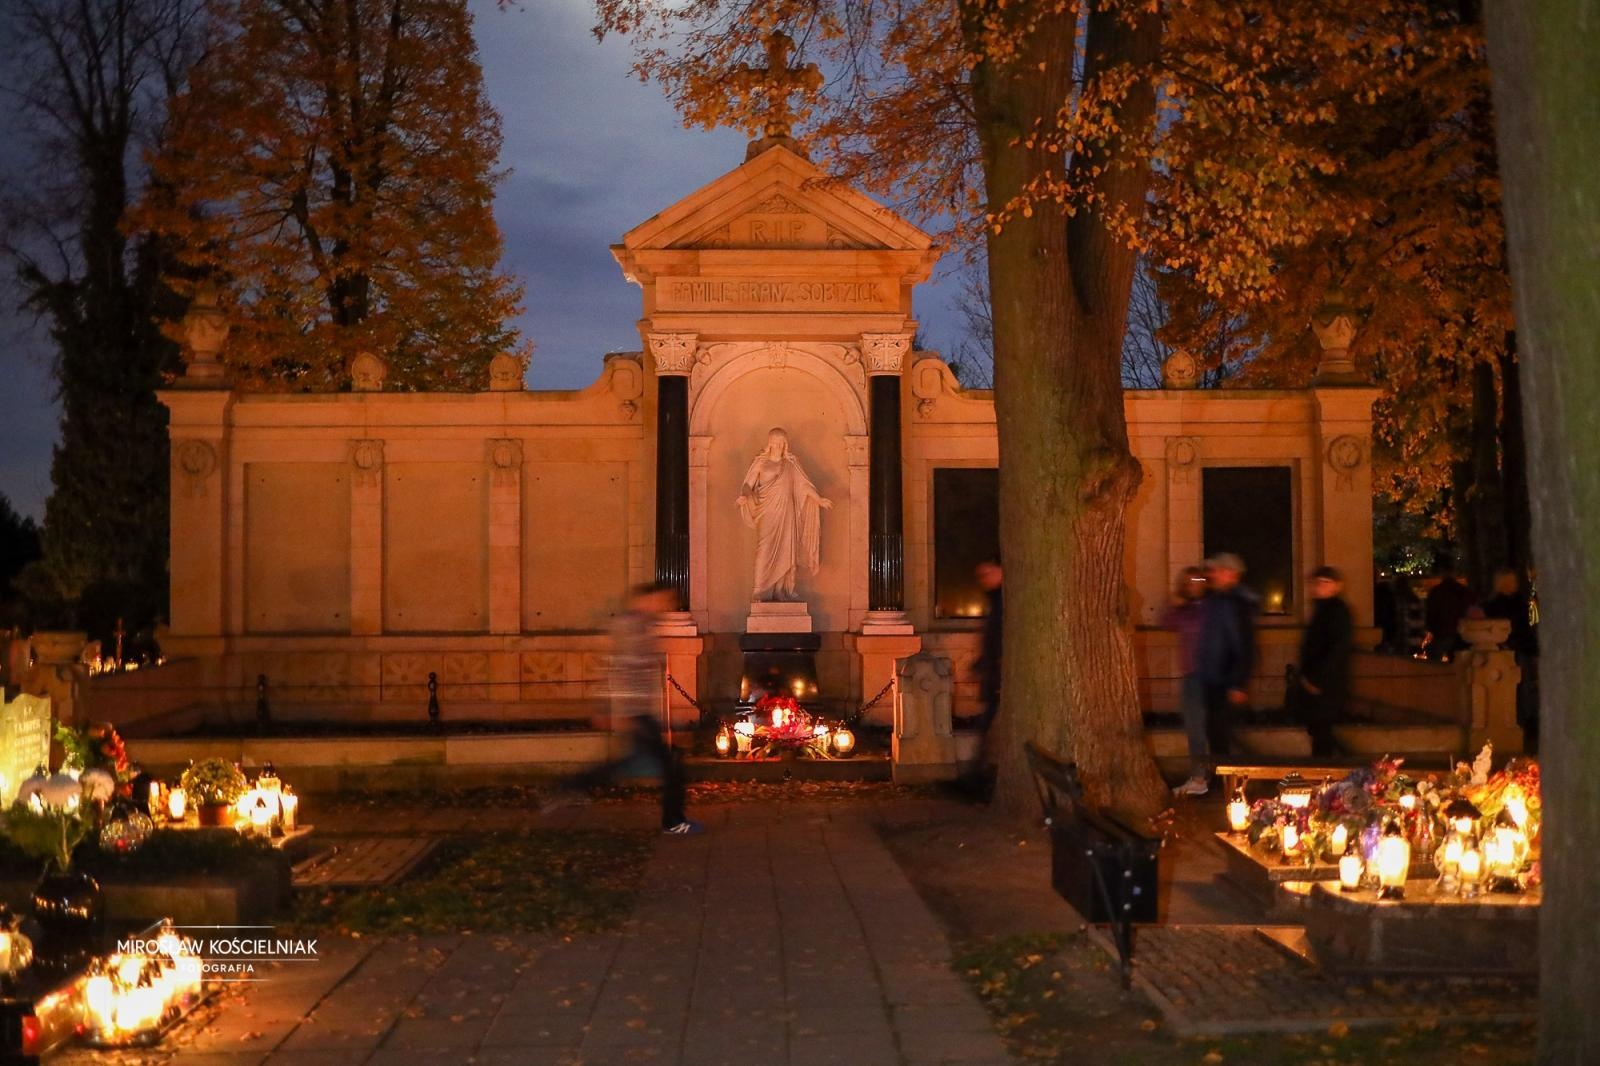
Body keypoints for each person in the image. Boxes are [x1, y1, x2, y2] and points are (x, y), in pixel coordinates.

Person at [545, 582, 699, 835]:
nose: (666, 607)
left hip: (638, 710)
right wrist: (619, 710)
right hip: (635, 711)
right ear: (649, 598)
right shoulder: (632, 627)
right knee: (670, 765)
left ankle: (568, 786)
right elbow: (622, 671)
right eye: (664, 601)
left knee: (631, 763)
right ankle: (674, 822)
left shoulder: (640, 625)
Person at [1179, 552, 1258, 796]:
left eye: (1217, 570)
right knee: (1216, 733)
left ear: (1231, 573)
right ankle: (1220, 783)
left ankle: (1227, 788)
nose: (1212, 575)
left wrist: (1237, 683)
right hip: (1212, 678)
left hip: (1223, 680)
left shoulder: (1234, 603)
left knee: (1221, 735)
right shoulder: (1219, 600)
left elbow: (1243, 646)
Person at [1296, 566, 1354, 757]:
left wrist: (1318, 680)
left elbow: (1337, 649)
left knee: (1323, 734)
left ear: (1336, 586)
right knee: (1318, 732)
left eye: (1325, 582)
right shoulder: (1321, 610)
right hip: (1316, 682)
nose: (1319, 586)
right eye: (1317, 582)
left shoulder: (1337, 611)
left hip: (1326, 684)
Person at [1482, 566, 1540, 749]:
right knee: (1522, 689)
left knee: (1521, 689)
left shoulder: (1497, 603)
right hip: (1515, 649)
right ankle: (1524, 722)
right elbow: (1524, 629)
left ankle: (1522, 721)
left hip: (1512, 649)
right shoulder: (1513, 603)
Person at [1163, 567, 1209, 796]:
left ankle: (1202, 778)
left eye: (1199, 579)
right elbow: (1168, 622)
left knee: (1201, 728)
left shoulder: (1210, 607)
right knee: (1194, 727)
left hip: (1207, 675)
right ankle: (1200, 776)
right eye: (1189, 581)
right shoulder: (1187, 609)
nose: (1194, 584)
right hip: (1191, 674)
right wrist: (1175, 603)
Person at [974, 557, 1004, 731]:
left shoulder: (1001, 601)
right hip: (992, 673)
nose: (984, 579)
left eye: (988, 573)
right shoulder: (995, 600)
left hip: (997, 674)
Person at [1423, 560, 1473, 661]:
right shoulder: (1464, 591)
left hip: (1442, 633)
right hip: (1461, 633)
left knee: (1433, 660)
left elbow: (1430, 614)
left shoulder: (1436, 592)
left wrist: (1431, 628)